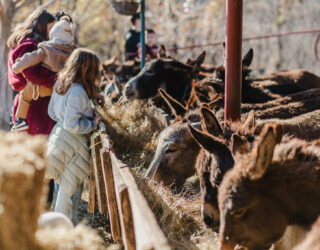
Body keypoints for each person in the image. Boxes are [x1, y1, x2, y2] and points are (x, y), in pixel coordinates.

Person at [46, 48, 102, 223]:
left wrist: (63, 120)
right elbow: (72, 124)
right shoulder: (78, 91)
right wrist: (93, 123)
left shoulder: (60, 85)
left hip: (58, 137)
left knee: (60, 185)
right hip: (74, 143)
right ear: (88, 69)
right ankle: (62, 225)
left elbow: (51, 113)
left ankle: (58, 223)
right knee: (67, 187)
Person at [11, 15, 76, 131]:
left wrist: (17, 67)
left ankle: (21, 121)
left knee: (25, 95)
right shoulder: (72, 52)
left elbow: (30, 60)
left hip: (40, 90)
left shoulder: (46, 48)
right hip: (58, 90)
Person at [7, 9, 57, 135]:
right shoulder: (29, 45)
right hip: (36, 107)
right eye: (51, 29)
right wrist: (58, 78)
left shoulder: (22, 43)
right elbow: (33, 73)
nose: (53, 33)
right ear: (41, 26)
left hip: (28, 104)